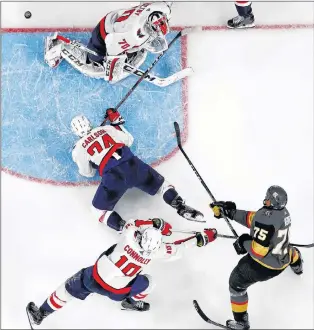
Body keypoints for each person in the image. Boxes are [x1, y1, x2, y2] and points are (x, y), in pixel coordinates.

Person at [26, 217, 217, 327]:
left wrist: (157, 223)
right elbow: (178, 248)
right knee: (149, 282)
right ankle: (132, 302)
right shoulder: (158, 251)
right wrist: (203, 238)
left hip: (94, 277)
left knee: (68, 289)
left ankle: (41, 313)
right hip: (118, 292)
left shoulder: (130, 237)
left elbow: (133, 223)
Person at [71, 108, 204, 227]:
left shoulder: (78, 148)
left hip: (113, 177)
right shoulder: (105, 129)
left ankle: (125, 228)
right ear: (89, 123)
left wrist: (91, 160)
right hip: (132, 165)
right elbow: (129, 140)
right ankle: (179, 205)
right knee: (162, 186)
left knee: (97, 210)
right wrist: (117, 124)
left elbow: (87, 173)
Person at [210, 185, 303, 330]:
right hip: (284, 256)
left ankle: (241, 322)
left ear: (272, 201)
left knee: (236, 283)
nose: (265, 199)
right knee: (292, 252)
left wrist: (243, 242)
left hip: (266, 266)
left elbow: (258, 251)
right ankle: (297, 266)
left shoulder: (265, 218)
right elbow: (253, 218)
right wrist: (231, 213)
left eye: (268, 198)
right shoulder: (284, 213)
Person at [44, 2, 172, 83]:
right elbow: (112, 44)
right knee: (93, 68)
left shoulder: (159, 8)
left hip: (118, 23)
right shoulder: (132, 35)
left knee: (135, 53)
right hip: (105, 35)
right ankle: (58, 46)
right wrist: (112, 72)